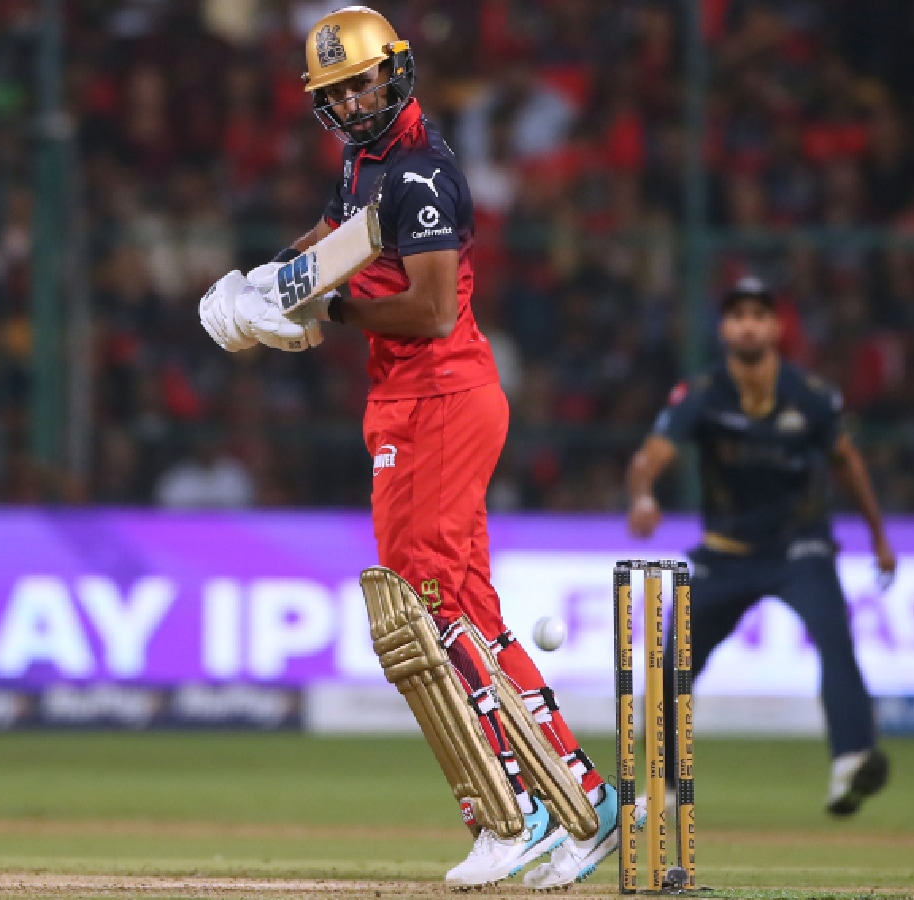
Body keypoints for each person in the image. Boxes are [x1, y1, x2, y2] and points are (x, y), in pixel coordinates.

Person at [196, 6, 619, 889]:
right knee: (463, 612)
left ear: (396, 70)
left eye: (362, 80)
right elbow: (333, 239)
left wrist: (325, 310)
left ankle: (513, 814)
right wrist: (264, 281)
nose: (354, 100)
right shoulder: (366, 161)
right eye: (336, 91)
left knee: (425, 617)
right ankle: (581, 801)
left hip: (438, 400)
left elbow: (427, 311)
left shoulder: (420, 172)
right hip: (416, 402)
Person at [625, 277, 898, 816]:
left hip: (800, 549)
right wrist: (642, 496)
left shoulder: (811, 396)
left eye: (759, 314)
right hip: (725, 552)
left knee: (835, 643)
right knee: (672, 663)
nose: (748, 323)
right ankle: (666, 788)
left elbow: (848, 463)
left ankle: (850, 763)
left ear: (776, 327)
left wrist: (879, 536)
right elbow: (650, 455)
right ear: (725, 328)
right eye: (738, 314)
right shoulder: (700, 394)